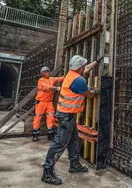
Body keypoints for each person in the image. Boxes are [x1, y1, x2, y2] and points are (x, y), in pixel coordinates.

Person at [41, 55, 102, 185]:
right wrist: (94, 92)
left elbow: (86, 69)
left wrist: (96, 61)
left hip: (69, 115)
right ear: (79, 68)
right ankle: (47, 172)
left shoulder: (71, 74)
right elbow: (88, 94)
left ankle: (74, 165)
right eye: (82, 67)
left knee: (74, 139)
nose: (83, 69)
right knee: (59, 143)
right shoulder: (79, 81)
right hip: (66, 116)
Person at [33, 66, 64, 142]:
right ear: (42, 73)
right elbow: (47, 87)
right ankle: (35, 135)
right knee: (37, 118)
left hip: (49, 103)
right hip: (40, 103)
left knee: (51, 118)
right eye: (46, 71)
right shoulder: (41, 80)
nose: (48, 72)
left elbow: (60, 79)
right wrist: (56, 88)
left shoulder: (51, 79)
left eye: (48, 71)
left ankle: (50, 135)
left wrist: (68, 76)